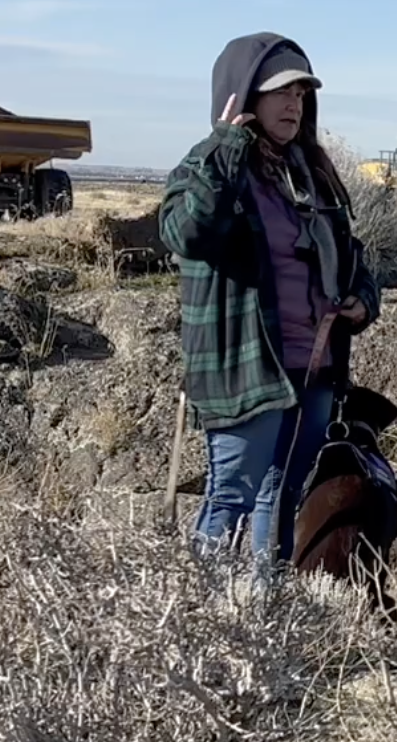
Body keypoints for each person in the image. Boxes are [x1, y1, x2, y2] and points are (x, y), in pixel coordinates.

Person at [159, 32, 382, 569]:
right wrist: (227, 145)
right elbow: (187, 234)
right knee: (231, 499)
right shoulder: (207, 167)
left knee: (282, 497)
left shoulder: (310, 173)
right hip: (247, 370)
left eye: (302, 94)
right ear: (244, 95)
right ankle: (203, 621)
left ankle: (265, 617)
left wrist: (362, 298)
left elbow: (351, 254)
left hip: (313, 369)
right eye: (281, 91)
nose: (294, 104)